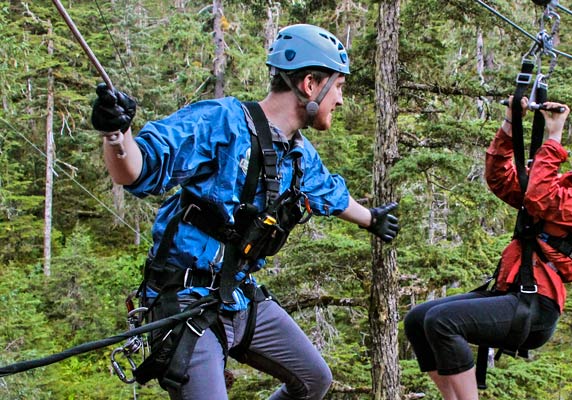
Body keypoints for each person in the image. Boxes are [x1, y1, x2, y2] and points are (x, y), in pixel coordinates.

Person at [91, 24, 399, 400]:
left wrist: (372, 219)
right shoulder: (222, 123)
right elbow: (138, 169)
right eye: (338, 87)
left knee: (313, 379)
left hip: (238, 295)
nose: (340, 98)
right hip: (185, 302)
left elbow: (330, 195)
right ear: (310, 84)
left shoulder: (299, 156)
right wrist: (115, 134)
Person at [403, 97, 572, 399]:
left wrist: (553, 139)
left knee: (443, 322)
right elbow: (500, 180)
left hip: (537, 305)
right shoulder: (562, 184)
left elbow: (539, 197)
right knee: (418, 320)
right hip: (511, 290)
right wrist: (511, 123)